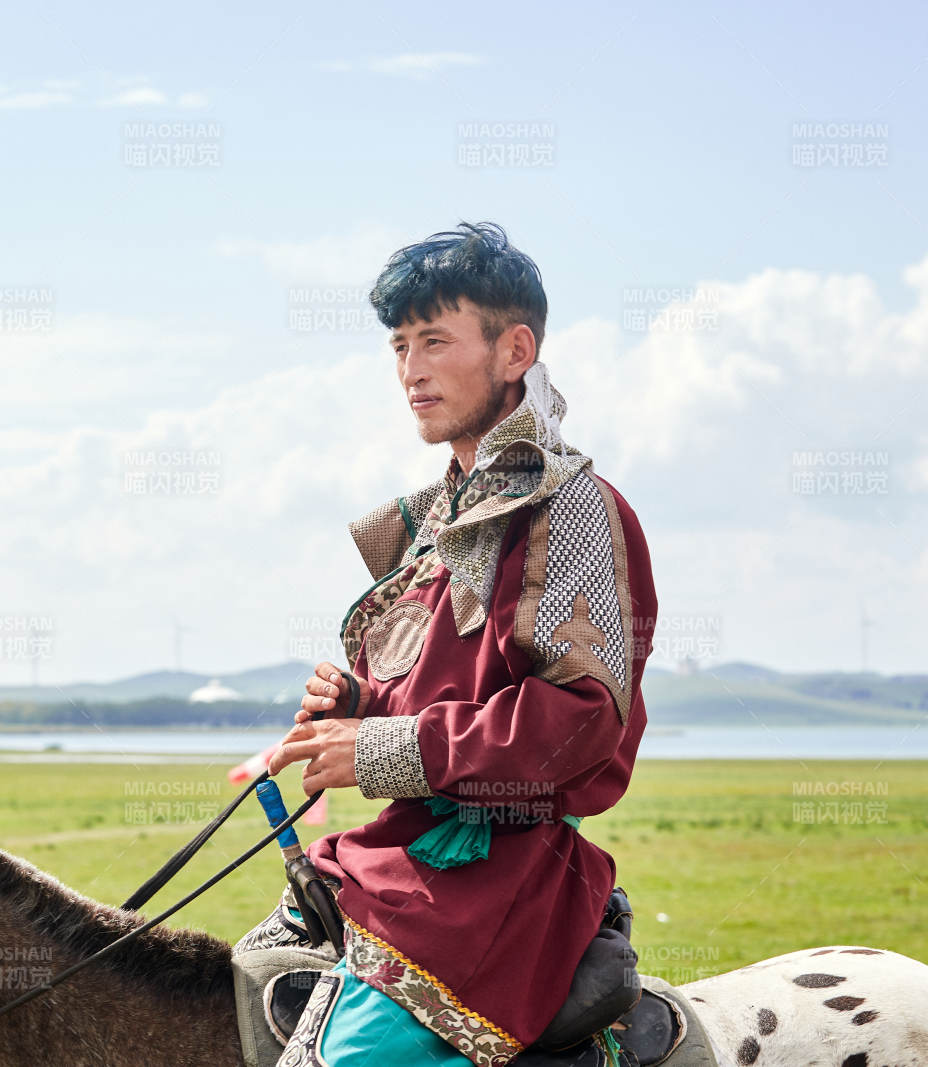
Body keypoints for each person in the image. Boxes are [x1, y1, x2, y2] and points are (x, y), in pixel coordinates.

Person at [243, 222, 658, 1066]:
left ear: (515, 350)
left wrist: (385, 745)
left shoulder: (571, 506)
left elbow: (580, 720)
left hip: (497, 883)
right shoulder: (436, 525)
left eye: (435, 340)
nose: (411, 369)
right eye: (399, 345)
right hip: (394, 861)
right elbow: (446, 694)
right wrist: (357, 710)